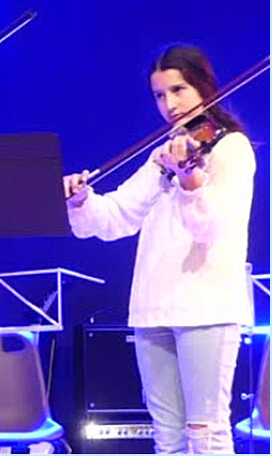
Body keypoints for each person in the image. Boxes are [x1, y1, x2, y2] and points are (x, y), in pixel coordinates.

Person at [63, 44, 255, 453]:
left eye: (178, 90)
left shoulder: (230, 148)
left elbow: (212, 228)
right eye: (159, 95)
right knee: (166, 435)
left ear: (203, 87)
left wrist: (190, 181)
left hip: (206, 309)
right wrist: (81, 200)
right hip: (153, 308)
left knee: (206, 432)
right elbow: (117, 215)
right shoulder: (163, 155)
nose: (169, 104)